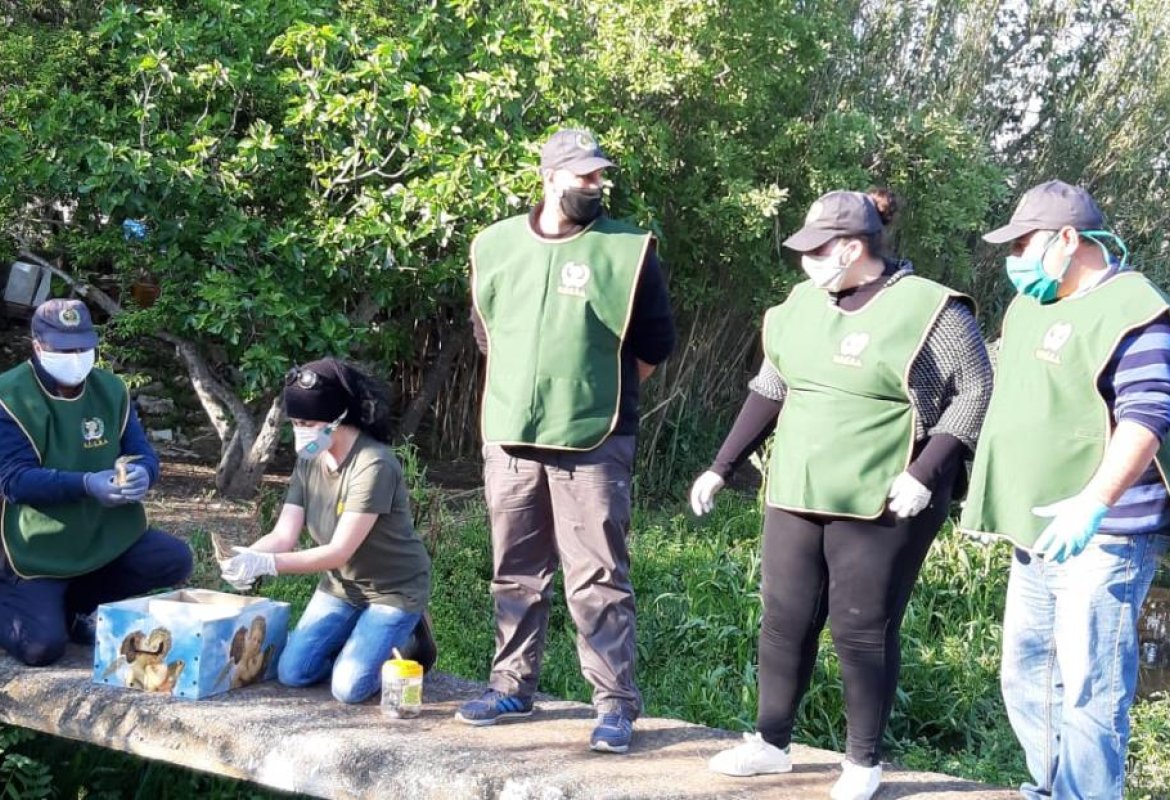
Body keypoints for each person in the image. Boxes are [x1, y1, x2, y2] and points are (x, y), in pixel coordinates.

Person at [692, 190, 993, 800]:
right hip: (799, 486)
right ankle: (771, 744)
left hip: (888, 496)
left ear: (853, 249)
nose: (805, 262)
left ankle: (862, 762)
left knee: (861, 627)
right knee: (784, 619)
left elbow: (976, 391)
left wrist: (925, 472)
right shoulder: (803, 304)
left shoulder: (931, 309)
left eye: (816, 251)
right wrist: (720, 466)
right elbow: (771, 386)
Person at [457, 127, 675, 753]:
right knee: (515, 570)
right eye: (583, 176)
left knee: (598, 575)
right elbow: (485, 331)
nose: (595, 185)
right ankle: (510, 687)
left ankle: (613, 705)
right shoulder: (495, 244)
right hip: (509, 435)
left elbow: (655, 344)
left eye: (599, 176)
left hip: (595, 438)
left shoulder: (627, 249)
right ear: (549, 176)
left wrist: (591, 387)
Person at [959, 180, 1170, 799]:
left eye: (1025, 243)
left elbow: (1148, 416)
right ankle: (1052, 788)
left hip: (1105, 534)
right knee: (1026, 677)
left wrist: (1093, 502)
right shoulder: (1031, 306)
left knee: (1089, 686)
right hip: (1036, 530)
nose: (1015, 257)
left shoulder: (1136, 309)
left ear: (1069, 239)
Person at [218, 358, 435, 704]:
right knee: (294, 672)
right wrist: (248, 556)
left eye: (308, 423)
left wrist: (269, 564)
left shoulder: (374, 465)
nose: (301, 431)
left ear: (338, 419)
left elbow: (338, 552)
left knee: (348, 689)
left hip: (393, 590)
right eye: (296, 423)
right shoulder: (309, 458)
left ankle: (411, 635)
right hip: (341, 587)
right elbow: (284, 535)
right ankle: (358, 643)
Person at [0, 298, 192, 666]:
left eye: (84, 347)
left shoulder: (111, 388)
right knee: (42, 648)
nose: (77, 357)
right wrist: (87, 484)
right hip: (35, 548)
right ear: (37, 346)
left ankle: (77, 606)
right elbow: (14, 481)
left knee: (173, 559)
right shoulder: (9, 396)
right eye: (65, 349)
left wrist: (143, 473)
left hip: (103, 533)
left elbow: (140, 451)